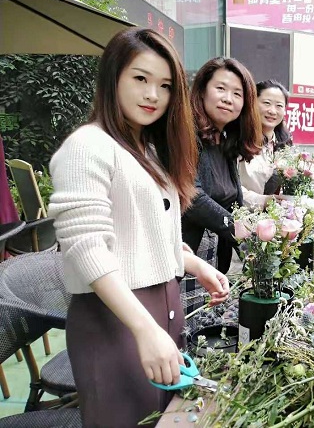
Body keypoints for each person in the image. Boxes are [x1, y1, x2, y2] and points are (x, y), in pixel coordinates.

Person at [47, 28, 230, 427]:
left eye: (165, 86)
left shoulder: (145, 148)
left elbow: (147, 233)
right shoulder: (87, 146)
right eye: (140, 78)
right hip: (115, 320)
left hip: (159, 315)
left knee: (162, 419)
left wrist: (195, 265)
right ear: (113, 77)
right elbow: (86, 246)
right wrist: (145, 329)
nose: (153, 95)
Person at [181, 57, 262, 274]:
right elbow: (193, 197)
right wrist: (241, 231)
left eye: (237, 94)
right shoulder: (186, 134)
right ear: (202, 91)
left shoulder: (226, 141)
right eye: (220, 89)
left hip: (217, 260)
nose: (228, 99)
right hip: (188, 258)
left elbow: (234, 201)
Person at [239, 79, 292, 210]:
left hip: (278, 219)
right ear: (252, 103)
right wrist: (263, 201)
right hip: (240, 217)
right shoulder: (236, 141)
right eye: (267, 103)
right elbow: (228, 188)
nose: (273, 111)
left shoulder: (285, 146)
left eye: (279, 106)